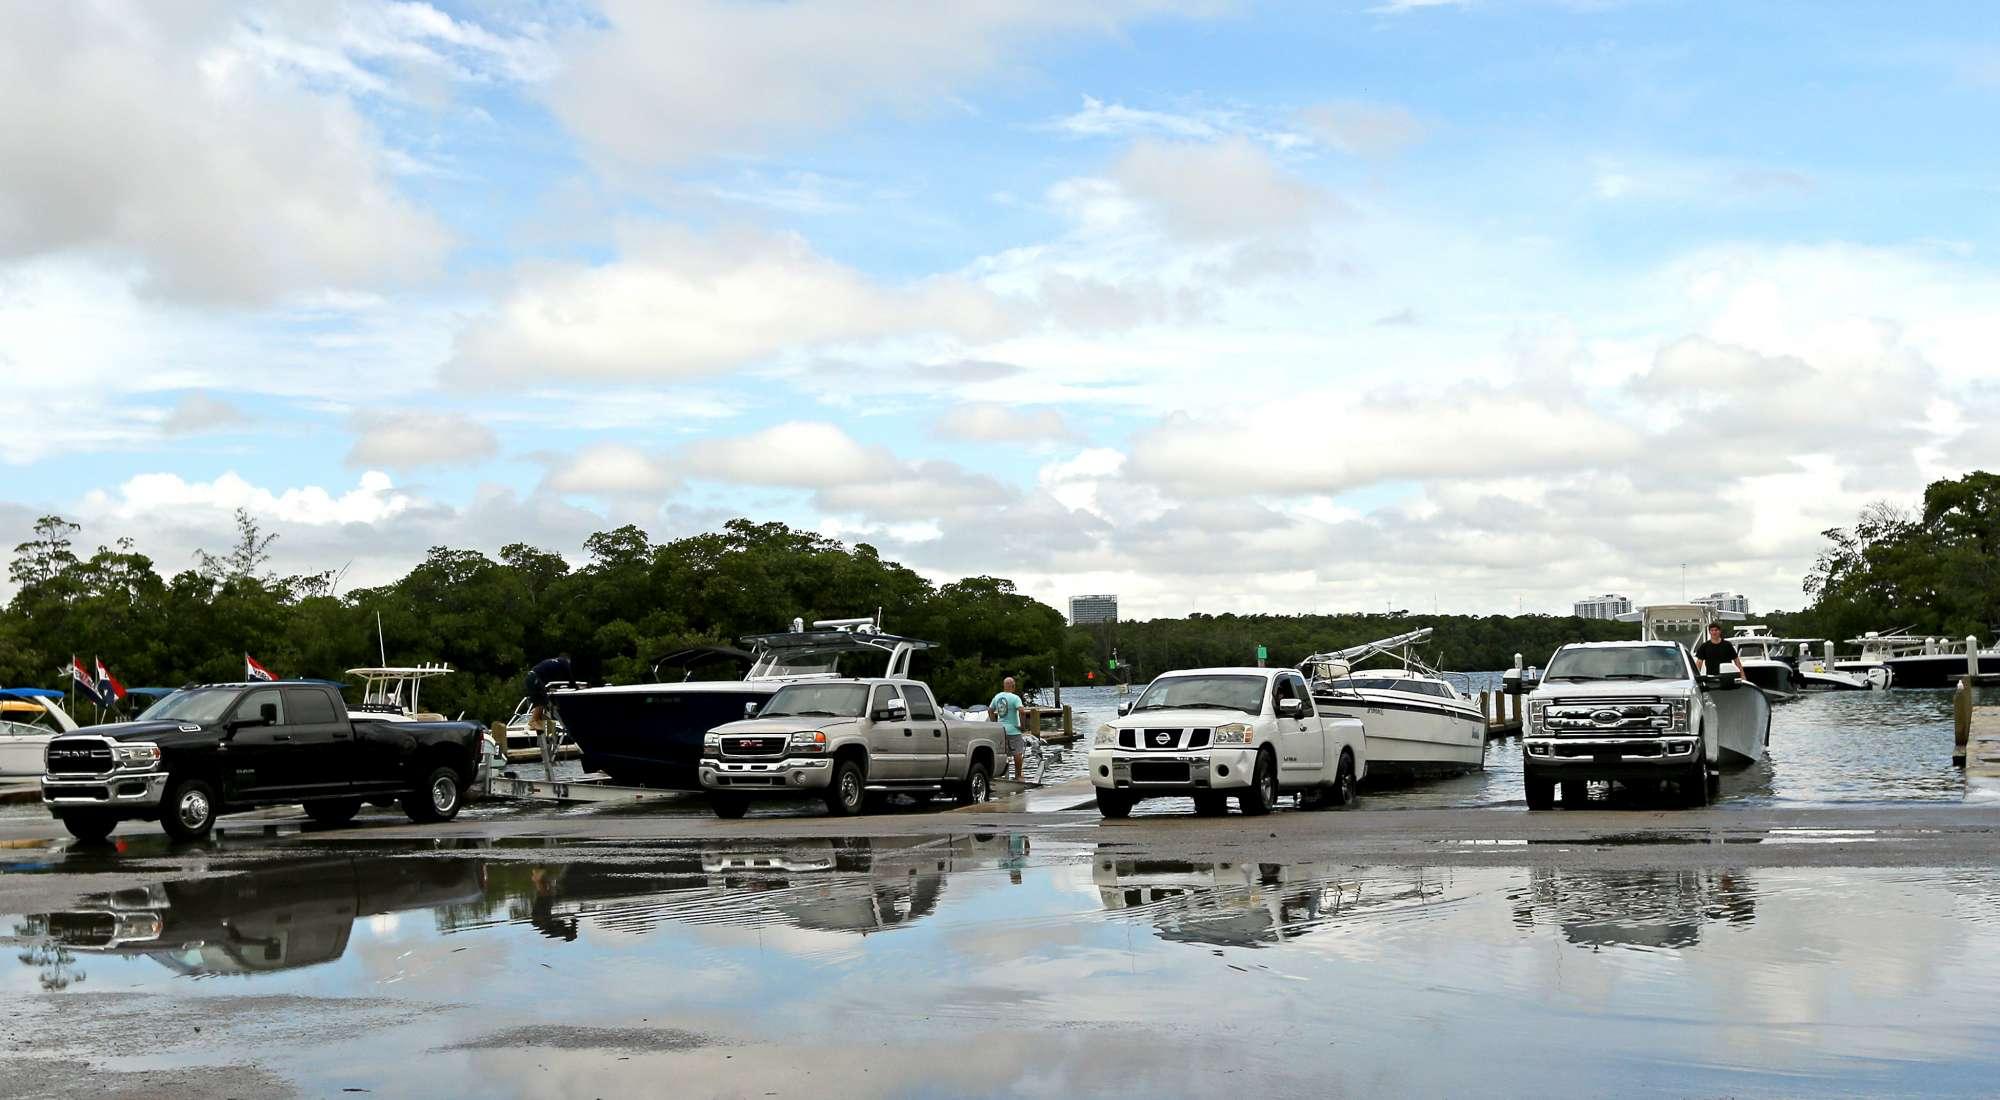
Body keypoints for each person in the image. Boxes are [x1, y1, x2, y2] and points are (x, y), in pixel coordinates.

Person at [527, 652, 573, 734]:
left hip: (531, 677)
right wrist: (576, 688)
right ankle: (533, 721)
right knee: (541, 700)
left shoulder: (553, 664)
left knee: (542, 699)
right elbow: (570, 679)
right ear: (567, 660)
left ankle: (536, 718)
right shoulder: (563, 661)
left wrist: (551, 689)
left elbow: (549, 680)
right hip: (534, 677)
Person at [989, 676, 1025, 782]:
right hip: (1013, 730)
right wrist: (1022, 727)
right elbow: (1022, 711)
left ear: (1004, 686)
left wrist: (994, 724)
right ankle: (1018, 775)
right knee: (1017, 753)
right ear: (1013, 686)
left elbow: (990, 710)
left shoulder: (997, 697)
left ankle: (1002, 775)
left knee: (1003, 753)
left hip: (1001, 730)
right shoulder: (1015, 698)